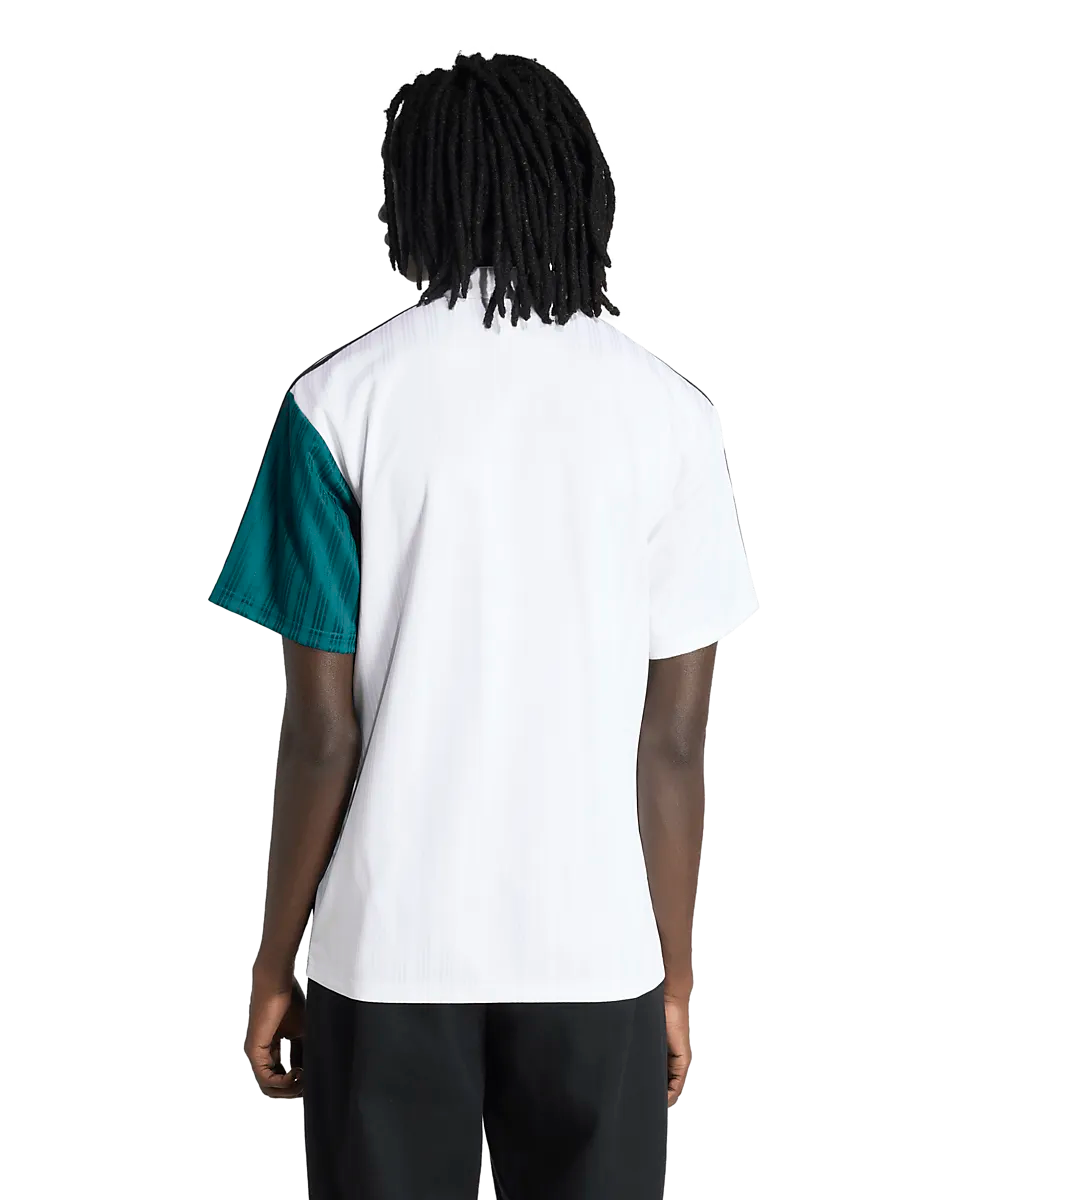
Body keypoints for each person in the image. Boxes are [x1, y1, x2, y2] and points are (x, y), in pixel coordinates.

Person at [210, 49, 756, 1199]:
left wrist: (274, 960)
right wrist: (673, 979)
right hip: (596, 948)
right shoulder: (675, 417)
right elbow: (673, 740)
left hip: (387, 948)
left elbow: (319, 736)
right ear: (581, 189)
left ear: (411, 195)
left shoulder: (337, 404)